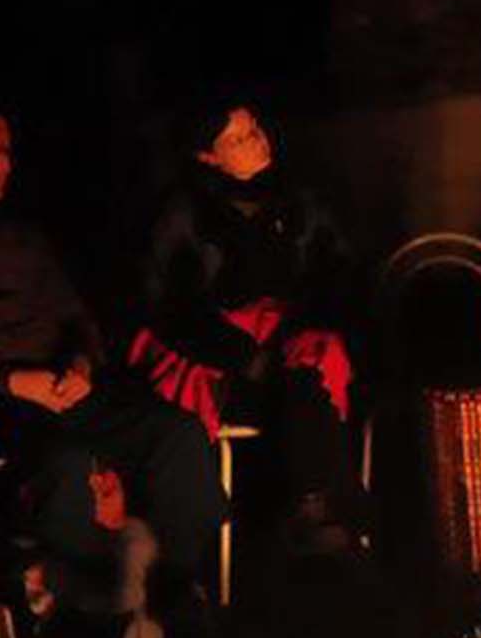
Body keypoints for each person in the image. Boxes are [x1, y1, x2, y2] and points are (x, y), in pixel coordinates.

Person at [0, 111, 224, 581]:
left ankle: (174, 593)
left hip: (71, 389)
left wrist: (81, 365)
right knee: (66, 469)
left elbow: (76, 317)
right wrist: (10, 381)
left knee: (177, 436)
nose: (5, 160)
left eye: (7, 148)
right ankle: (87, 615)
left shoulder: (18, 239)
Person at [129, 101, 363, 554]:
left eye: (254, 129)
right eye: (238, 138)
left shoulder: (296, 202)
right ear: (208, 157)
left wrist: (297, 325)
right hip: (218, 353)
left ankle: (314, 507)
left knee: (308, 373)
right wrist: (243, 354)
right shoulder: (184, 214)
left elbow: (335, 275)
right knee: (288, 385)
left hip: (287, 343)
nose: (257, 140)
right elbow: (169, 307)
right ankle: (319, 509)